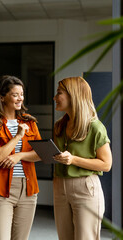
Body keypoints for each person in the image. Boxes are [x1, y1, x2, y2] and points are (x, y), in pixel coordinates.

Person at [0, 75, 41, 240]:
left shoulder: (29, 122)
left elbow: (40, 153)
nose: (20, 98)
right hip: (1, 190)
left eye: (22, 94)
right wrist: (18, 136)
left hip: (28, 190)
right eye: (15, 94)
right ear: (2, 97)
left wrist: (19, 156)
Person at [52, 76, 112, 240]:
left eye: (59, 93)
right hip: (59, 185)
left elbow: (106, 164)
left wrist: (73, 160)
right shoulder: (59, 126)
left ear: (73, 95)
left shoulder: (95, 127)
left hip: (85, 187)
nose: (55, 97)